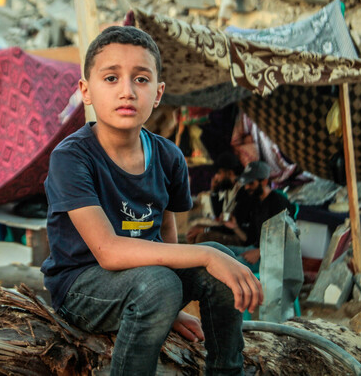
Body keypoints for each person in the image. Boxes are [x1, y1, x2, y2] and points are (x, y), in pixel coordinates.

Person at [41, 25, 263, 376]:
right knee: (178, 273)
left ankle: (226, 369)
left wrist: (173, 307)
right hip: (83, 287)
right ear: (86, 90)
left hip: (149, 279)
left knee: (218, 263)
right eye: (111, 78)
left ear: (158, 93)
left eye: (141, 80)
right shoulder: (72, 158)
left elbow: (167, 227)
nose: (127, 91)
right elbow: (109, 252)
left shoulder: (168, 155)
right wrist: (205, 255)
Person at [223, 161, 295, 273]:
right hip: (254, 249)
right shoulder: (255, 201)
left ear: (264, 181)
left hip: (272, 257)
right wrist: (235, 227)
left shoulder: (279, 203)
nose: (246, 187)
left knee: (226, 265)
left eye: (251, 183)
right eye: (245, 183)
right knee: (217, 251)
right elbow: (250, 239)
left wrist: (259, 252)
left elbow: (287, 240)